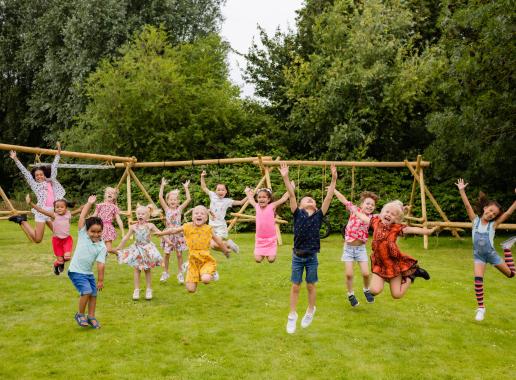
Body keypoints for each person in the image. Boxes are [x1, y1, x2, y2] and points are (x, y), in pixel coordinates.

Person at [279, 162, 337, 334]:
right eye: (306, 199)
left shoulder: (319, 216)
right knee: (295, 286)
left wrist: (333, 179)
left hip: (312, 257)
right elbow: (291, 195)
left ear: (316, 205)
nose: (310, 200)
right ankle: (292, 315)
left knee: (311, 285)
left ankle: (311, 310)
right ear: (301, 204)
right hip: (297, 256)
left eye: (312, 199)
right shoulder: (297, 213)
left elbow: (328, 197)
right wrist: (285, 177)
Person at [456, 179, 516, 321]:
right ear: (484, 208)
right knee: (478, 279)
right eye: (490, 211)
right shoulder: (474, 220)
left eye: (494, 214)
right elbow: (467, 205)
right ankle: (481, 308)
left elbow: (507, 214)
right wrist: (461, 190)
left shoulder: (493, 225)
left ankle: (507, 248)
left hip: (492, 255)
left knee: (511, 274)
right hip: (479, 257)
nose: (491, 214)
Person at [353, 200, 437, 300]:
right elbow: (363, 217)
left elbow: (413, 229)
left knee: (397, 295)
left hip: (394, 264)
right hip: (379, 264)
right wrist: (353, 209)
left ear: (396, 219)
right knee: (373, 290)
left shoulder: (396, 228)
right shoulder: (376, 222)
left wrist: (430, 231)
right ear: (382, 213)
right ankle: (386, 279)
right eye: (387, 212)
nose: (389, 215)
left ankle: (412, 275)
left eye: (393, 214)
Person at [157, 205, 230, 293]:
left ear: (206, 218)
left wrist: (225, 250)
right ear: (192, 217)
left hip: (205, 260)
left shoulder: (208, 229)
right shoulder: (187, 227)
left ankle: (211, 272)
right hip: (193, 261)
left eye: (202, 214)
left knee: (205, 279)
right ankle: (192, 269)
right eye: (196, 213)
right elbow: (173, 230)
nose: (199, 215)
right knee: (190, 289)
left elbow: (218, 241)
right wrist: (161, 233)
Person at [8, 142, 65, 243]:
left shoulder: (51, 181)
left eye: (41, 175)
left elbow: (55, 165)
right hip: (41, 211)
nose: (39, 177)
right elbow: (25, 172)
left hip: (51, 212)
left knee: (59, 233)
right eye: (36, 175)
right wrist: (15, 159)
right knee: (37, 239)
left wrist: (59, 150)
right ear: (34, 177)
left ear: (44, 175)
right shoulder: (35, 185)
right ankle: (21, 220)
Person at [334, 189, 378, 307]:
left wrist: (402, 209)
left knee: (366, 274)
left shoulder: (373, 218)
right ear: (361, 204)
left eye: (372, 205)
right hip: (348, 248)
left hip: (361, 249)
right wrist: (335, 190)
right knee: (349, 274)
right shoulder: (354, 210)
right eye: (367, 203)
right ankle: (350, 294)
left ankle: (366, 290)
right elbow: (344, 200)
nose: (370, 206)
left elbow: (385, 216)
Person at [67, 195, 106, 329]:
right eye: (92, 231)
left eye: (99, 231)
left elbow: (101, 264)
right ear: (86, 230)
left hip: (88, 273)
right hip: (76, 271)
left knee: (93, 294)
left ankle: (91, 316)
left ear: (102, 231)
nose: (96, 234)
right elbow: (82, 217)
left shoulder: (102, 246)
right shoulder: (83, 235)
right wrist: (89, 204)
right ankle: (80, 314)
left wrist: (100, 280)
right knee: (87, 291)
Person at [114, 205, 163, 301]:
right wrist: (119, 247)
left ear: (148, 216)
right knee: (137, 269)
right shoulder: (133, 227)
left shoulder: (150, 226)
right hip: (137, 250)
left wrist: (167, 240)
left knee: (147, 269)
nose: (140, 215)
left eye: (143, 214)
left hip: (148, 250)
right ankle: (136, 290)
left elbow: (160, 233)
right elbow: (126, 238)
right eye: (138, 214)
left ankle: (149, 289)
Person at [26, 194, 83, 275]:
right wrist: (30, 203)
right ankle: (56, 265)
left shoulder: (69, 214)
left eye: (61, 207)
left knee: (67, 257)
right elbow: (41, 210)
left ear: (66, 208)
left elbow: (80, 209)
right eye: (57, 207)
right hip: (57, 241)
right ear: (54, 209)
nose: (59, 209)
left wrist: (89, 203)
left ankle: (62, 261)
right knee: (60, 261)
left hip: (67, 240)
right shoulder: (53, 216)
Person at [200, 170, 246, 254]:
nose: (220, 191)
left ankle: (228, 245)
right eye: (218, 190)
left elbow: (241, 202)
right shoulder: (212, 195)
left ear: (226, 192)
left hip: (220, 226)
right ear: (215, 191)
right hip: (211, 226)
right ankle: (228, 247)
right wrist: (202, 176)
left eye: (223, 190)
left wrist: (249, 195)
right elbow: (204, 187)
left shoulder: (227, 201)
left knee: (215, 244)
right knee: (213, 246)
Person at [158, 178, 191, 284]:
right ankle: (165, 272)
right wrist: (162, 185)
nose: (173, 201)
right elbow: (160, 197)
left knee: (179, 255)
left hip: (178, 234)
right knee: (166, 254)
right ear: (167, 201)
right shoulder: (166, 209)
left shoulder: (179, 209)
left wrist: (186, 188)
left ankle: (180, 274)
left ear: (178, 202)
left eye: (175, 200)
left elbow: (189, 199)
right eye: (171, 200)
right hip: (168, 235)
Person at [244, 187, 289, 263]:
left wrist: (290, 189)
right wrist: (247, 192)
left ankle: (270, 253)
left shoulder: (271, 206)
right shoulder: (257, 206)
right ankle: (262, 254)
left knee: (271, 260)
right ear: (257, 199)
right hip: (260, 239)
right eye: (259, 197)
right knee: (258, 260)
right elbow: (250, 199)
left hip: (271, 239)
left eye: (264, 197)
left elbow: (283, 198)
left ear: (268, 199)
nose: (261, 199)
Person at [93, 187, 125, 253]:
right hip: (99, 227)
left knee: (109, 249)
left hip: (108, 228)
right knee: (97, 247)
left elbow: (118, 219)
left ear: (114, 197)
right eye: (108, 192)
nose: (110, 194)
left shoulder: (114, 207)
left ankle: (118, 251)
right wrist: (87, 222)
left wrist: (122, 231)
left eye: (112, 193)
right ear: (105, 195)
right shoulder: (99, 206)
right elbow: (94, 215)